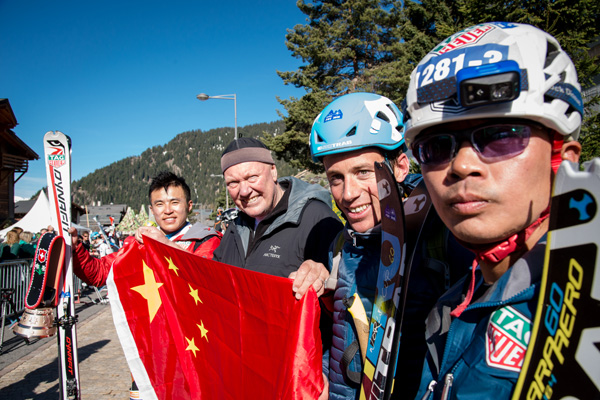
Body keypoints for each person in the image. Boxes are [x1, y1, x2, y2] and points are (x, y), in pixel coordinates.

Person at [402, 22, 583, 399]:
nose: (461, 165)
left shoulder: (586, 304)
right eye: (436, 146)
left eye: (501, 135)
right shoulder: (453, 303)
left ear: (562, 159)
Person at [307, 92, 472, 400]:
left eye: (363, 172)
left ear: (400, 167)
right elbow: (338, 339)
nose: (348, 194)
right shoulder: (341, 245)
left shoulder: (444, 235)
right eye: (336, 178)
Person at [212, 137, 343, 282]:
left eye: (252, 177)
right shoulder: (235, 227)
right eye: (233, 183)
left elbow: (344, 287)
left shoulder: (317, 219)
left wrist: (326, 281)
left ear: (273, 171)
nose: (244, 191)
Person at [69, 171, 222, 288]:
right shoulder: (140, 241)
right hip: (152, 326)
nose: (167, 210)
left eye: (174, 202)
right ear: (152, 209)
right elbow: (100, 274)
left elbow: (208, 278)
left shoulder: (206, 239)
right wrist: (76, 248)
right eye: (159, 204)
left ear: (189, 206)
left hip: (190, 327)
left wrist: (166, 245)